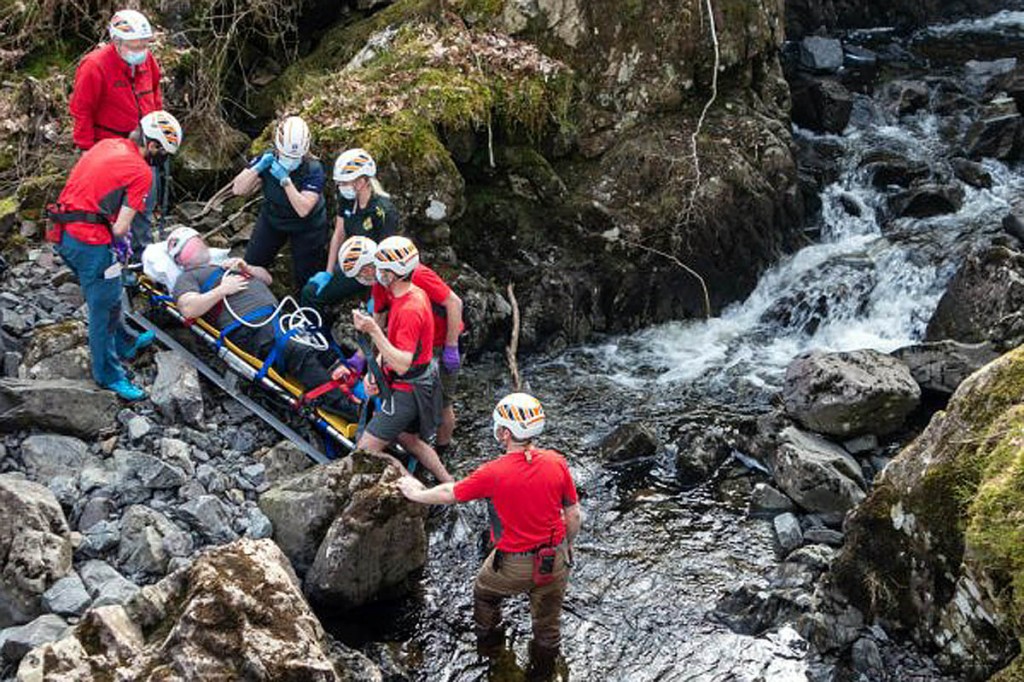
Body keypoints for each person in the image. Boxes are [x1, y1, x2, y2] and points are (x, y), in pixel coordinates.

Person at [397, 392, 581, 675]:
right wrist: (567, 546)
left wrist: (416, 493)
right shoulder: (556, 461)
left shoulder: (493, 472)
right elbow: (573, 513)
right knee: (547, 629)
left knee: (484, 594)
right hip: (555, 559)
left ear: (505, 433)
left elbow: (450, 492)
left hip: (513, 564)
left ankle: (493, 652)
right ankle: (544, 672)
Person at [49, 110, 182, 400]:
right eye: (164, 153)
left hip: (63, 232)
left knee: (109, 296)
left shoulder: (108, 144)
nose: (162, 160)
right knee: (103, 308)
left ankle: (126, 342)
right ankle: (108, 374)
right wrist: (122, 243)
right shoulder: (142, 172)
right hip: (89, 243)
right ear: (154, 145)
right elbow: (122, 227)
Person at [167, 227, 356, 420]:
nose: (198, 244)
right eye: (191, 245)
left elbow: (267, 278)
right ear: (181, 260)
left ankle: (353, 384)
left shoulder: (225, 265)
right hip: (250, 328)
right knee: (296, 350)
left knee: (319, 344)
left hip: (277, 317)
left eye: (197, 240)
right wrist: (222, 290)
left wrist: (247, 269)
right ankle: (347, 407)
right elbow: (188, 308)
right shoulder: (187, 278)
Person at [331, 236, 452, 483]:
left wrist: (372, 331)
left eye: (381, 268)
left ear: (394, 273)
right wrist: (373, 370)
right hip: (419, 382)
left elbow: (402, 363)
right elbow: (396, 351)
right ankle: (449, 485)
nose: (377, 273)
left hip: (409, 390)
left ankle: (415, 490)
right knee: (409, 440)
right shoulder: (408, 294)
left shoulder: (409, 309)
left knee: (365, 452)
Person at [69, 9, 166, 250]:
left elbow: (154, 93)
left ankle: (142, 256)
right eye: (134, 45)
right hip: (108, 148)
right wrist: (85, 150)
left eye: (144, 43)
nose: (140, 50)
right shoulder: (95, 66)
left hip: (144, 146)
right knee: (108, 206)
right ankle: (103, 253)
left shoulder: (147, 61)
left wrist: (160, 131)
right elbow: (82, 110)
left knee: (144, 201)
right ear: (116, 41)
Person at [232, 115, 328, 292]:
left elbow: (303, 209)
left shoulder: (313, 169)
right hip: (273, 218)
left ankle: (308, 312)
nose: (290, 160)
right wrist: (257, 168)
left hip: (307, 227)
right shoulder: (268, 158)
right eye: (285, 155)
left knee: (306, 278)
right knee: (250, 264)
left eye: (295, 157)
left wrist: (285, 180)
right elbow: (238, 189)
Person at [301, 148, 399, 312]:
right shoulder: (347, 199)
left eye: (344, 183)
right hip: (351, 262)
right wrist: (329, 272)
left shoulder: (383, 212)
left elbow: (387, 256)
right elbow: (339, 233)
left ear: (361, 182)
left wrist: (379, 292)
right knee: (310, 293)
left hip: (371, 271)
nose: (340, 187)